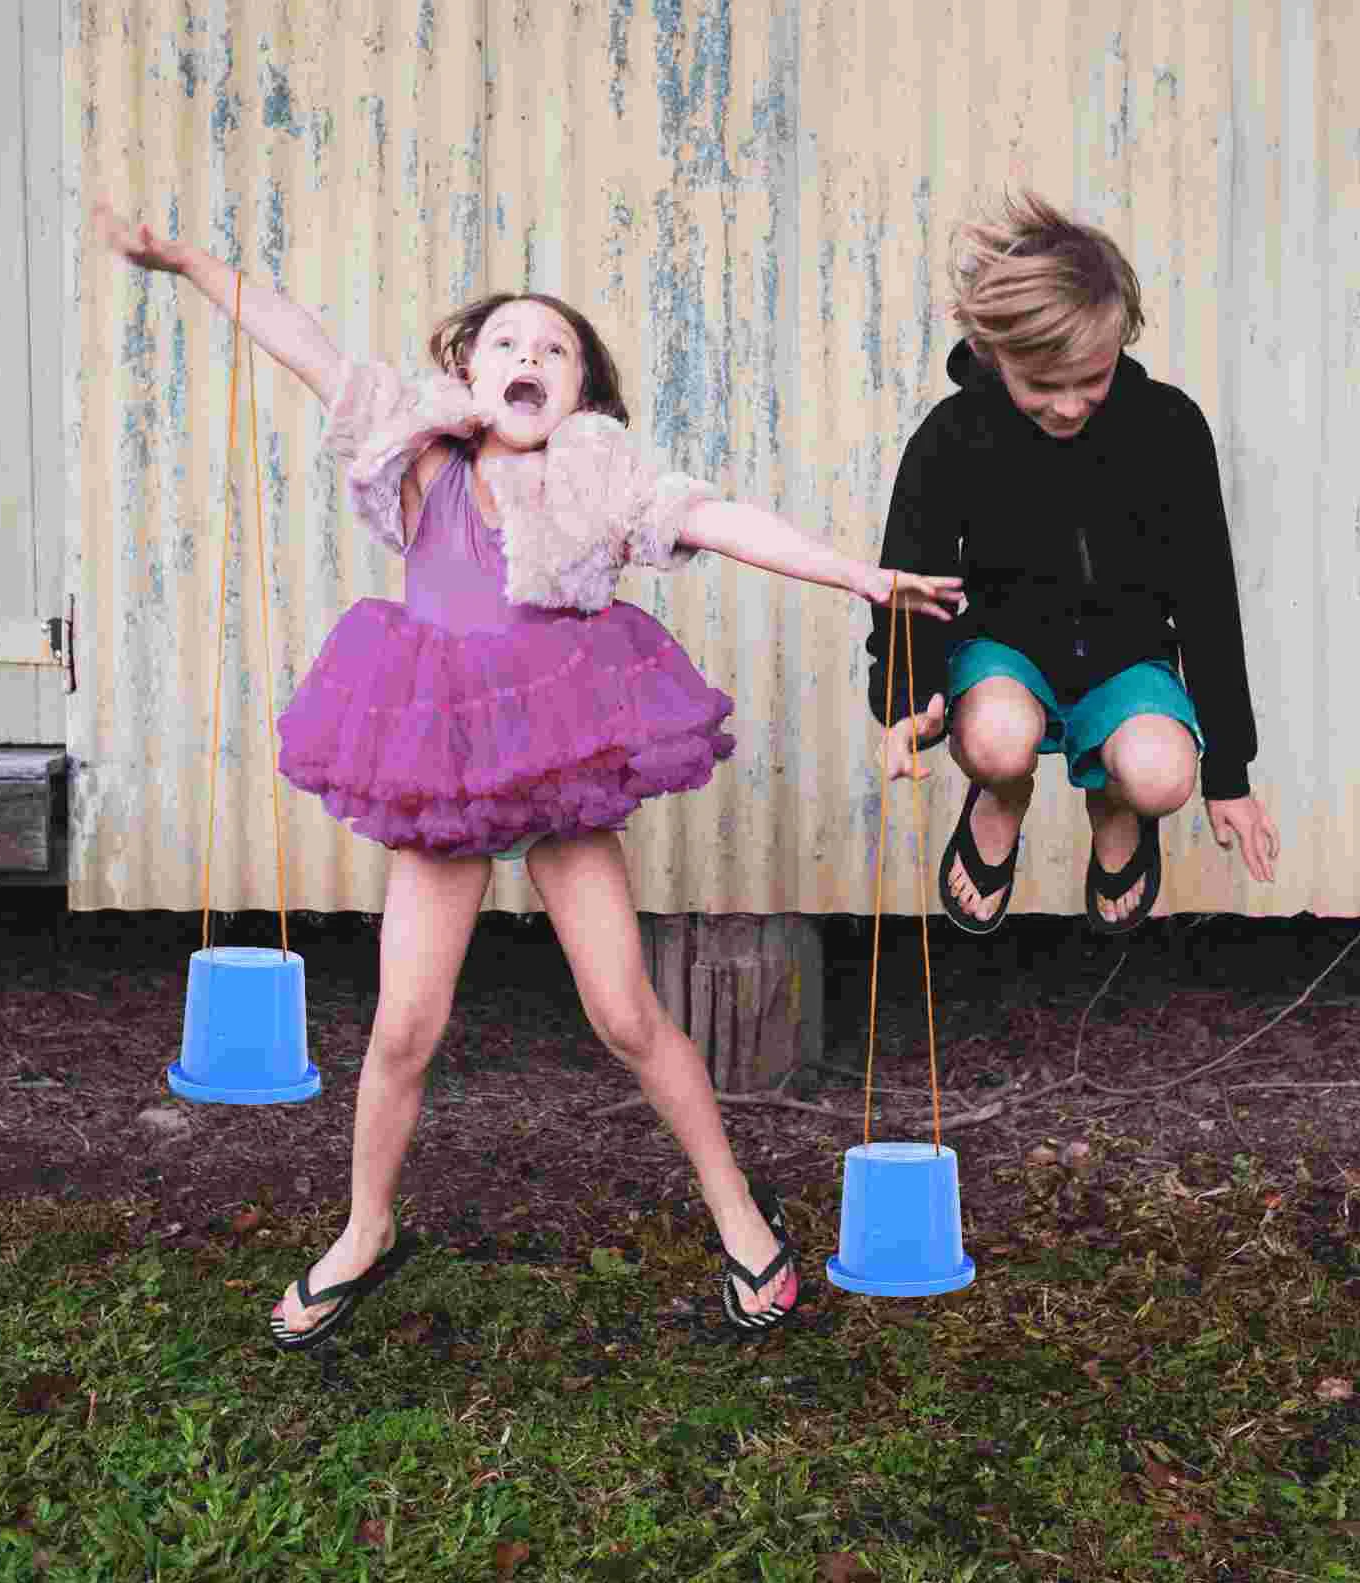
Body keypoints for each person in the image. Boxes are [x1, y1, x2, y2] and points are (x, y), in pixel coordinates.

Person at [95, 202, 962, 1348]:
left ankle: (741, 1215)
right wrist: (191, 261)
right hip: (442, 751)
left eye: (553, 349)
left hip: (554, 748)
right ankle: (366, 1227)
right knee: (404, 1025)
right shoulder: (420, 455)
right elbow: (304, 344)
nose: (528, 359)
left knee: (624, 1011)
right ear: (464, 369)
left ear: (580, 393)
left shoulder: (599, 480)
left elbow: (715, 516)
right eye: (506, 342)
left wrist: (854, 574)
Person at [866, 191, 1278, 936]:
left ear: (1121, 341)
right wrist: (905, 698)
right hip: (1006, 652)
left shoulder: (1170, 430)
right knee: (996, 740)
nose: (1067, 406)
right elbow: (911, 578)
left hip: (1128, 658)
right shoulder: (955, 435)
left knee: (1163, 776)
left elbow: (1208, 598)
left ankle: (1115, 802)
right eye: (1042, 387)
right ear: (996, 356)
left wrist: (1231, 776)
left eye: (1091, 380)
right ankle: (1002, 796)